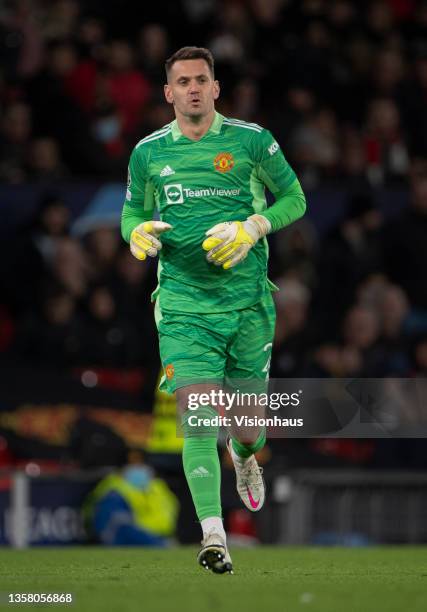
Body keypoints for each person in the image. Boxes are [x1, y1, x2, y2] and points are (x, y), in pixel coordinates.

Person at [121, 46, 306, 574]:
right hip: (182, 305)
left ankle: (246, 456)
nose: (193, 89)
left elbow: (295, 197)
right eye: (183, 82)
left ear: (216, 87)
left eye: (202, 79)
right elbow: (132, 210)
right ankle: (213, 536)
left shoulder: (253, 140)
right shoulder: (148, 152)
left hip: (248, 304)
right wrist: (132, 232)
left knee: (246, 427)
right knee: (198, 417)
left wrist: (254, 227)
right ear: (169, 92)